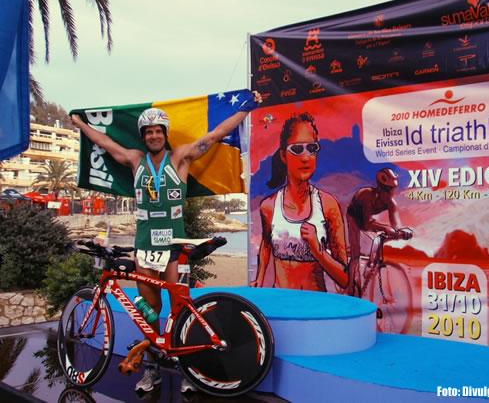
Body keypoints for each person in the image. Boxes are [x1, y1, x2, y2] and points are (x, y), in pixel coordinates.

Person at [71, 90, 261, 393]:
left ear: (165, 134)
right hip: (145, 247)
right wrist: (80, 124)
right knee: (149, 311)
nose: (154, 136)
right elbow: (106, 143)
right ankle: (151, 369)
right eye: (149, 132)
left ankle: (188, 370)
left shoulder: (180, 157)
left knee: (179, 309)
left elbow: (215, 135)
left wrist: (246, 109)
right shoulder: (135, 160)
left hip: (175, 247)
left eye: (159, 131)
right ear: (144, 136)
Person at [252, 112, 348, 291]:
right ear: (283, 155)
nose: (305, 157)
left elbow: (344, 278)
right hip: (282, 307)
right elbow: (266, 243)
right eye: (297, 149)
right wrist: (259, 278)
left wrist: (317, 250)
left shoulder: (327, 205)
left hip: (316, 310)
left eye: (312, 148)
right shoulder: (269, 207)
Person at [346, 168, 410, 296]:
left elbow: (396, 224)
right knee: (356, 254)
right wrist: (385, 228)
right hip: (354, 218)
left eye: (392, 190)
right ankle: (350, 289)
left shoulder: (391, 203)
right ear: (380, 188)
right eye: (387, 190)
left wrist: (402, 232)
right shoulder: (366, 195)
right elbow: (367, 223)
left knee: (377, 241)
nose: (391, 193)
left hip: (367, 220)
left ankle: (370, 264)